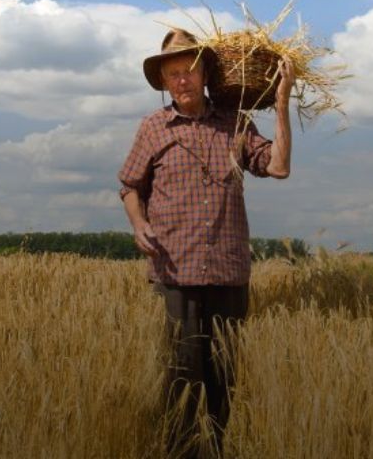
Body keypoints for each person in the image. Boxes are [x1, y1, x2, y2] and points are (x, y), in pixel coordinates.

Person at [118, 28, 294, 458]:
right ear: (163, 82)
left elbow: (279, 167)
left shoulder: (235, 123)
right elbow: (128, 185)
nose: (182, 80)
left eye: (189, 71)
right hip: (175, 272)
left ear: (205, 74)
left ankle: (217, 449)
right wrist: (139, 224)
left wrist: (284, 100)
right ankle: (177, 451)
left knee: (223, 378)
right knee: (181, 375)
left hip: (229, 272)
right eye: (173, 73)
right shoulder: (153, 128)